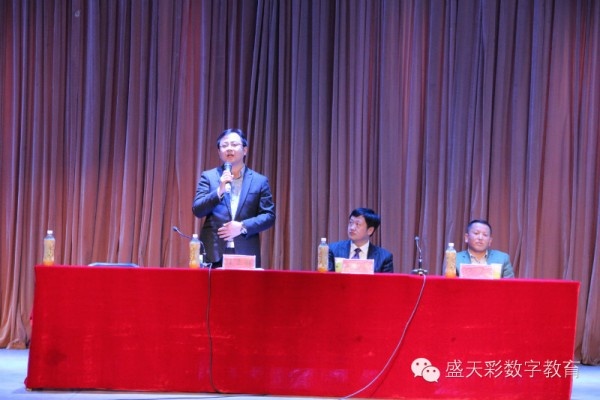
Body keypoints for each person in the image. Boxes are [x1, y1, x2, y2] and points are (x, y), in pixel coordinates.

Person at [192, 128, 276, 268]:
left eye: (234, 144)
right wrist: (219, 191)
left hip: (246, 252)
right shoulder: (209, 177)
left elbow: (269, 216)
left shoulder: (259, 181)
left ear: (245, 150)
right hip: (213, 253)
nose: (229, 148)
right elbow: (198, 210)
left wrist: (242, 226)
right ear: (219, 152)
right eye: (224, 145)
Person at [327, 208, 394, 273]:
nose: (352, 228)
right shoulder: (333, 250)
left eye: (357, 224)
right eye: (351, 222)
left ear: (370, 230)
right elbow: (327, 278)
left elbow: (386, 280)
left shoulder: (384, 257)